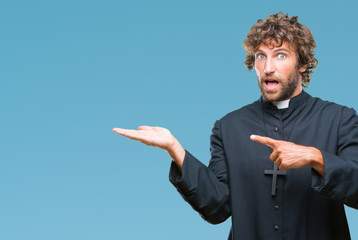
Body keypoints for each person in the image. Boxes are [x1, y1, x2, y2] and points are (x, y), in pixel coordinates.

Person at [113, 12, 358, 240]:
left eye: (280, 55)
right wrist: (175, 149)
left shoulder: (340, 119)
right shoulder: (229, 127)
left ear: (302, 64)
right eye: (261, 56)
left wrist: (316, 157)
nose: (267, 67)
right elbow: (217, 208)